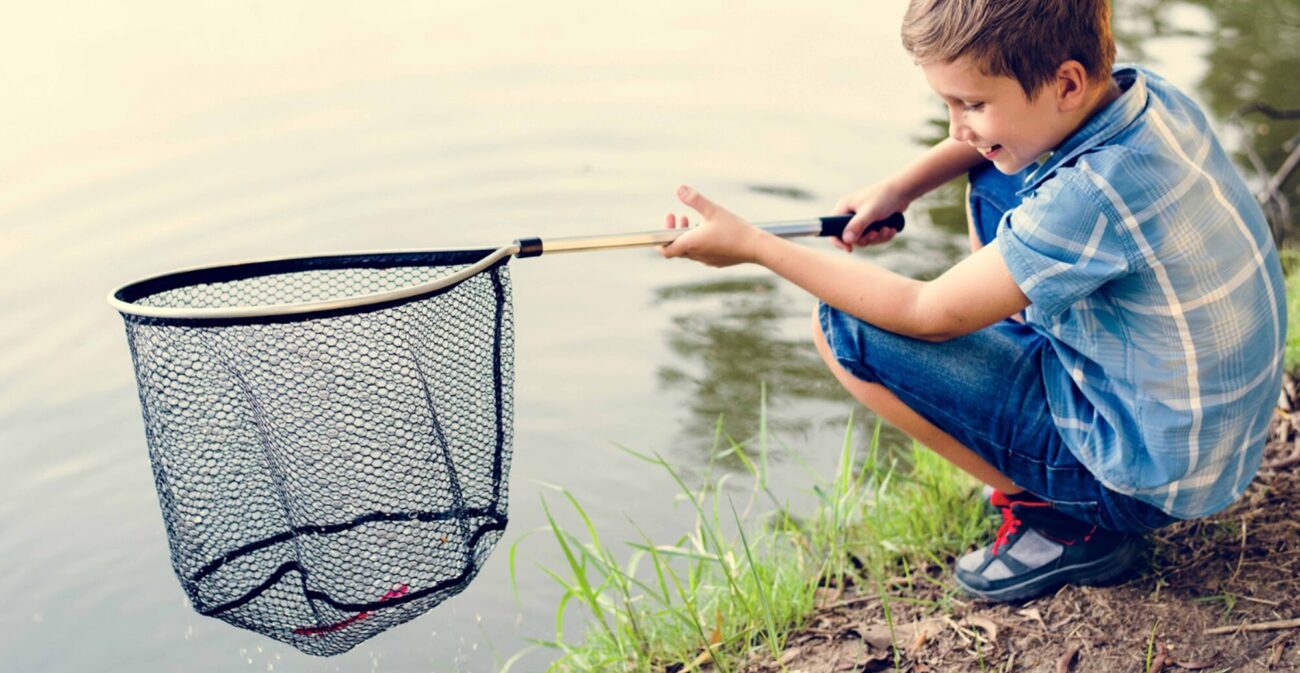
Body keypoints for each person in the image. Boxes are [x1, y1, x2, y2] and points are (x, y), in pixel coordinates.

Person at [659, 0, 1286, 602]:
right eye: (949, 104)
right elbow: (985, 150)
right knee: (995, 168)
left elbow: (925, 313)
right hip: (1206, 443)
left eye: (973, 104)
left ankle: (1062, 517)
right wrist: (900, 188)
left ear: (1067, 84)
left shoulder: (1091, 197)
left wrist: (755, 246)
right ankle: (1033, 399)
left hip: (1141, 482)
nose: (957, 127)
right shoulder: (1147, 96)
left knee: (842, 325)